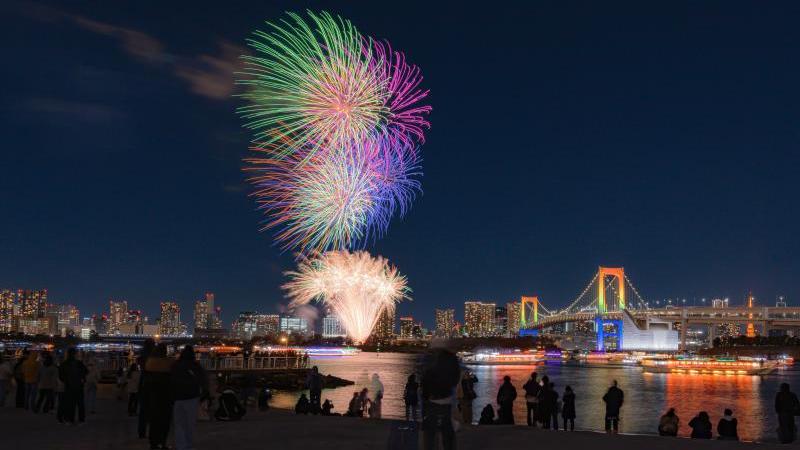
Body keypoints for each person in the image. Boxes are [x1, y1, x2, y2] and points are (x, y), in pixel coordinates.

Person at [421, 349, 460, 450]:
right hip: (447, 400)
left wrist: (426, 397)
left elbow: (425, 383)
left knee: (430, 434)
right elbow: (455, 379)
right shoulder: (451, 360)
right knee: (448, 434)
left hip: (432, 401)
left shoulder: (430, 362)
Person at [171, 345, 207, 450]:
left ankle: (180, 445)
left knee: (179, 424)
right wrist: (204, 394)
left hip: (178, 397)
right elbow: (202, 380)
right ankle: (188, 445)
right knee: (190, 424)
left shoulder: (175, 365)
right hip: (192, 397)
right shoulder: (195, 366)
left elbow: (171, 381)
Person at [146, 343, 173, 450]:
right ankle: (162, 443)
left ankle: (153, 443)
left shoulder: (150, 362)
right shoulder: (169, 362)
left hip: (153, 395)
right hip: (166, 396)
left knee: (154, 421)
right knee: (165, 422)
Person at [59, 347, 88, 424]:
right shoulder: (79, 363)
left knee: (70, 403)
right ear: (75, 354)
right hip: (79, 386)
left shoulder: (64, 364)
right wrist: (82, 379)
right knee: (80, 404)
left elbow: (61, 376)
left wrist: (66, 380)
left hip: (69, 386)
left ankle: (71, 419)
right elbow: (86, 371)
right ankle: (81, 419)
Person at [137, 339, 155, 439]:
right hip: (153, 384)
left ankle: (141, 432)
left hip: (143, 382)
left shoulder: (142, 355)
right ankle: (152, 432)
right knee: (153, 410)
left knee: (143, 411)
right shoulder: (154, 356)